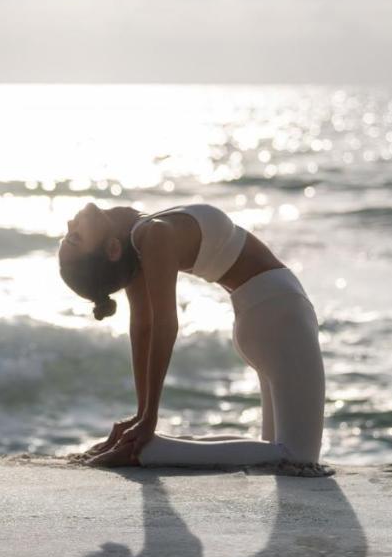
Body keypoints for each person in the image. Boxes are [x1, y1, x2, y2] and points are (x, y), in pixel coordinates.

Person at [57, 201, 325, 468]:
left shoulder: (136, 242)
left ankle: (144, 446)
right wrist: (147, 418)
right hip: (280, 318)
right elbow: (159, 326)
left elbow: (144, 328)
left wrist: (142, 417)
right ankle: (146, 452)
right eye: (76, 237)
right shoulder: (153, 235)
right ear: (111, 249)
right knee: (298, 458)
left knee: (276, 449)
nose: (71, 223)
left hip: (265, 319)